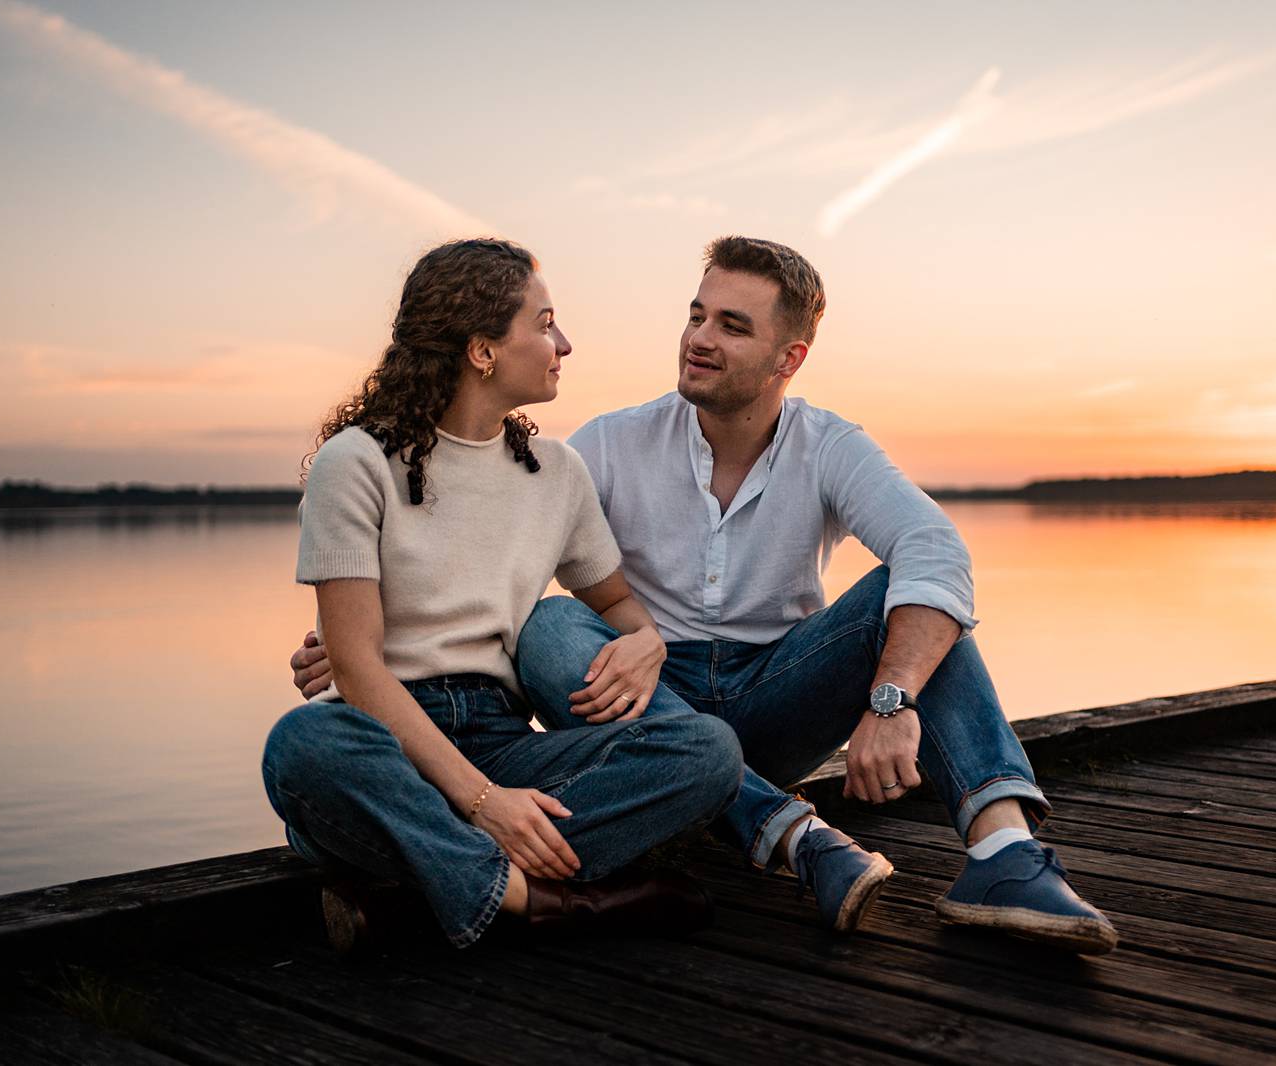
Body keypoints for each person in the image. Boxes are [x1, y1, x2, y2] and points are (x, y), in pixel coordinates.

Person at [294, 236, 1119, 955]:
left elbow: (935, 549)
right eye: (696, 315)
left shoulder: (820, 447)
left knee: (916, 602)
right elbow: (484, 554)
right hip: (644, 702)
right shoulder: (606, 447)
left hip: (768, 700)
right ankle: (744, 844)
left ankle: (1002, 857)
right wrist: (364, 640)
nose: (698, 338)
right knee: (533, 634)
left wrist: (893, 697)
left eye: (732, 325)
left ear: (788, 358)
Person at [262, 238, 745, 951]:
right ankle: (554, 902)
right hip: (388, 740)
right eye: (545, 323)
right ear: (482, 350)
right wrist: (484, 804)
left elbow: (614, 602)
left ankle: (440, 887)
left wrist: (644, 640)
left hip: (503, 738)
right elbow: (357, 669)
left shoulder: (556, 471)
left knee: (708, 751)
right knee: (303, 747)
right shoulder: (355, 463)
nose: (565, 343)